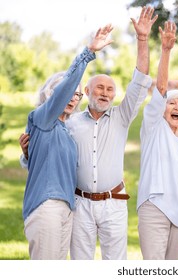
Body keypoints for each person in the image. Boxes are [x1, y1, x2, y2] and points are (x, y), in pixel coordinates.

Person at [19, 6, 157, 260]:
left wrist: (142, 40)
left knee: (115, 264)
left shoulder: (120, 116)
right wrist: (29, 153)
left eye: (110, 89)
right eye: (99, 88)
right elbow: (46, 156)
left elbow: (139, 81)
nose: (105, 92)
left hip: (112, 202)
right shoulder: (67, 123)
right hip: (78, 204)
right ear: (88, 92)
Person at [21, 24, 113, 260]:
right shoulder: (42, 117)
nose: (72, 97)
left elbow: (45, 161)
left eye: (76, 94)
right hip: (46, 206)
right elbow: (66, 87)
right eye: (66, 92)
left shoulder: (65, 129)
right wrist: (88, 53)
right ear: (51, 94)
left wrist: (28, 155)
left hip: (66, 208)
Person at [137, 20, 178, 260]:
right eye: (172, 102)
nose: (177, 107)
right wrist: (166, 51)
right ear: (162, 108)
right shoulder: (154, 128)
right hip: (155, 207)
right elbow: (161, 87)